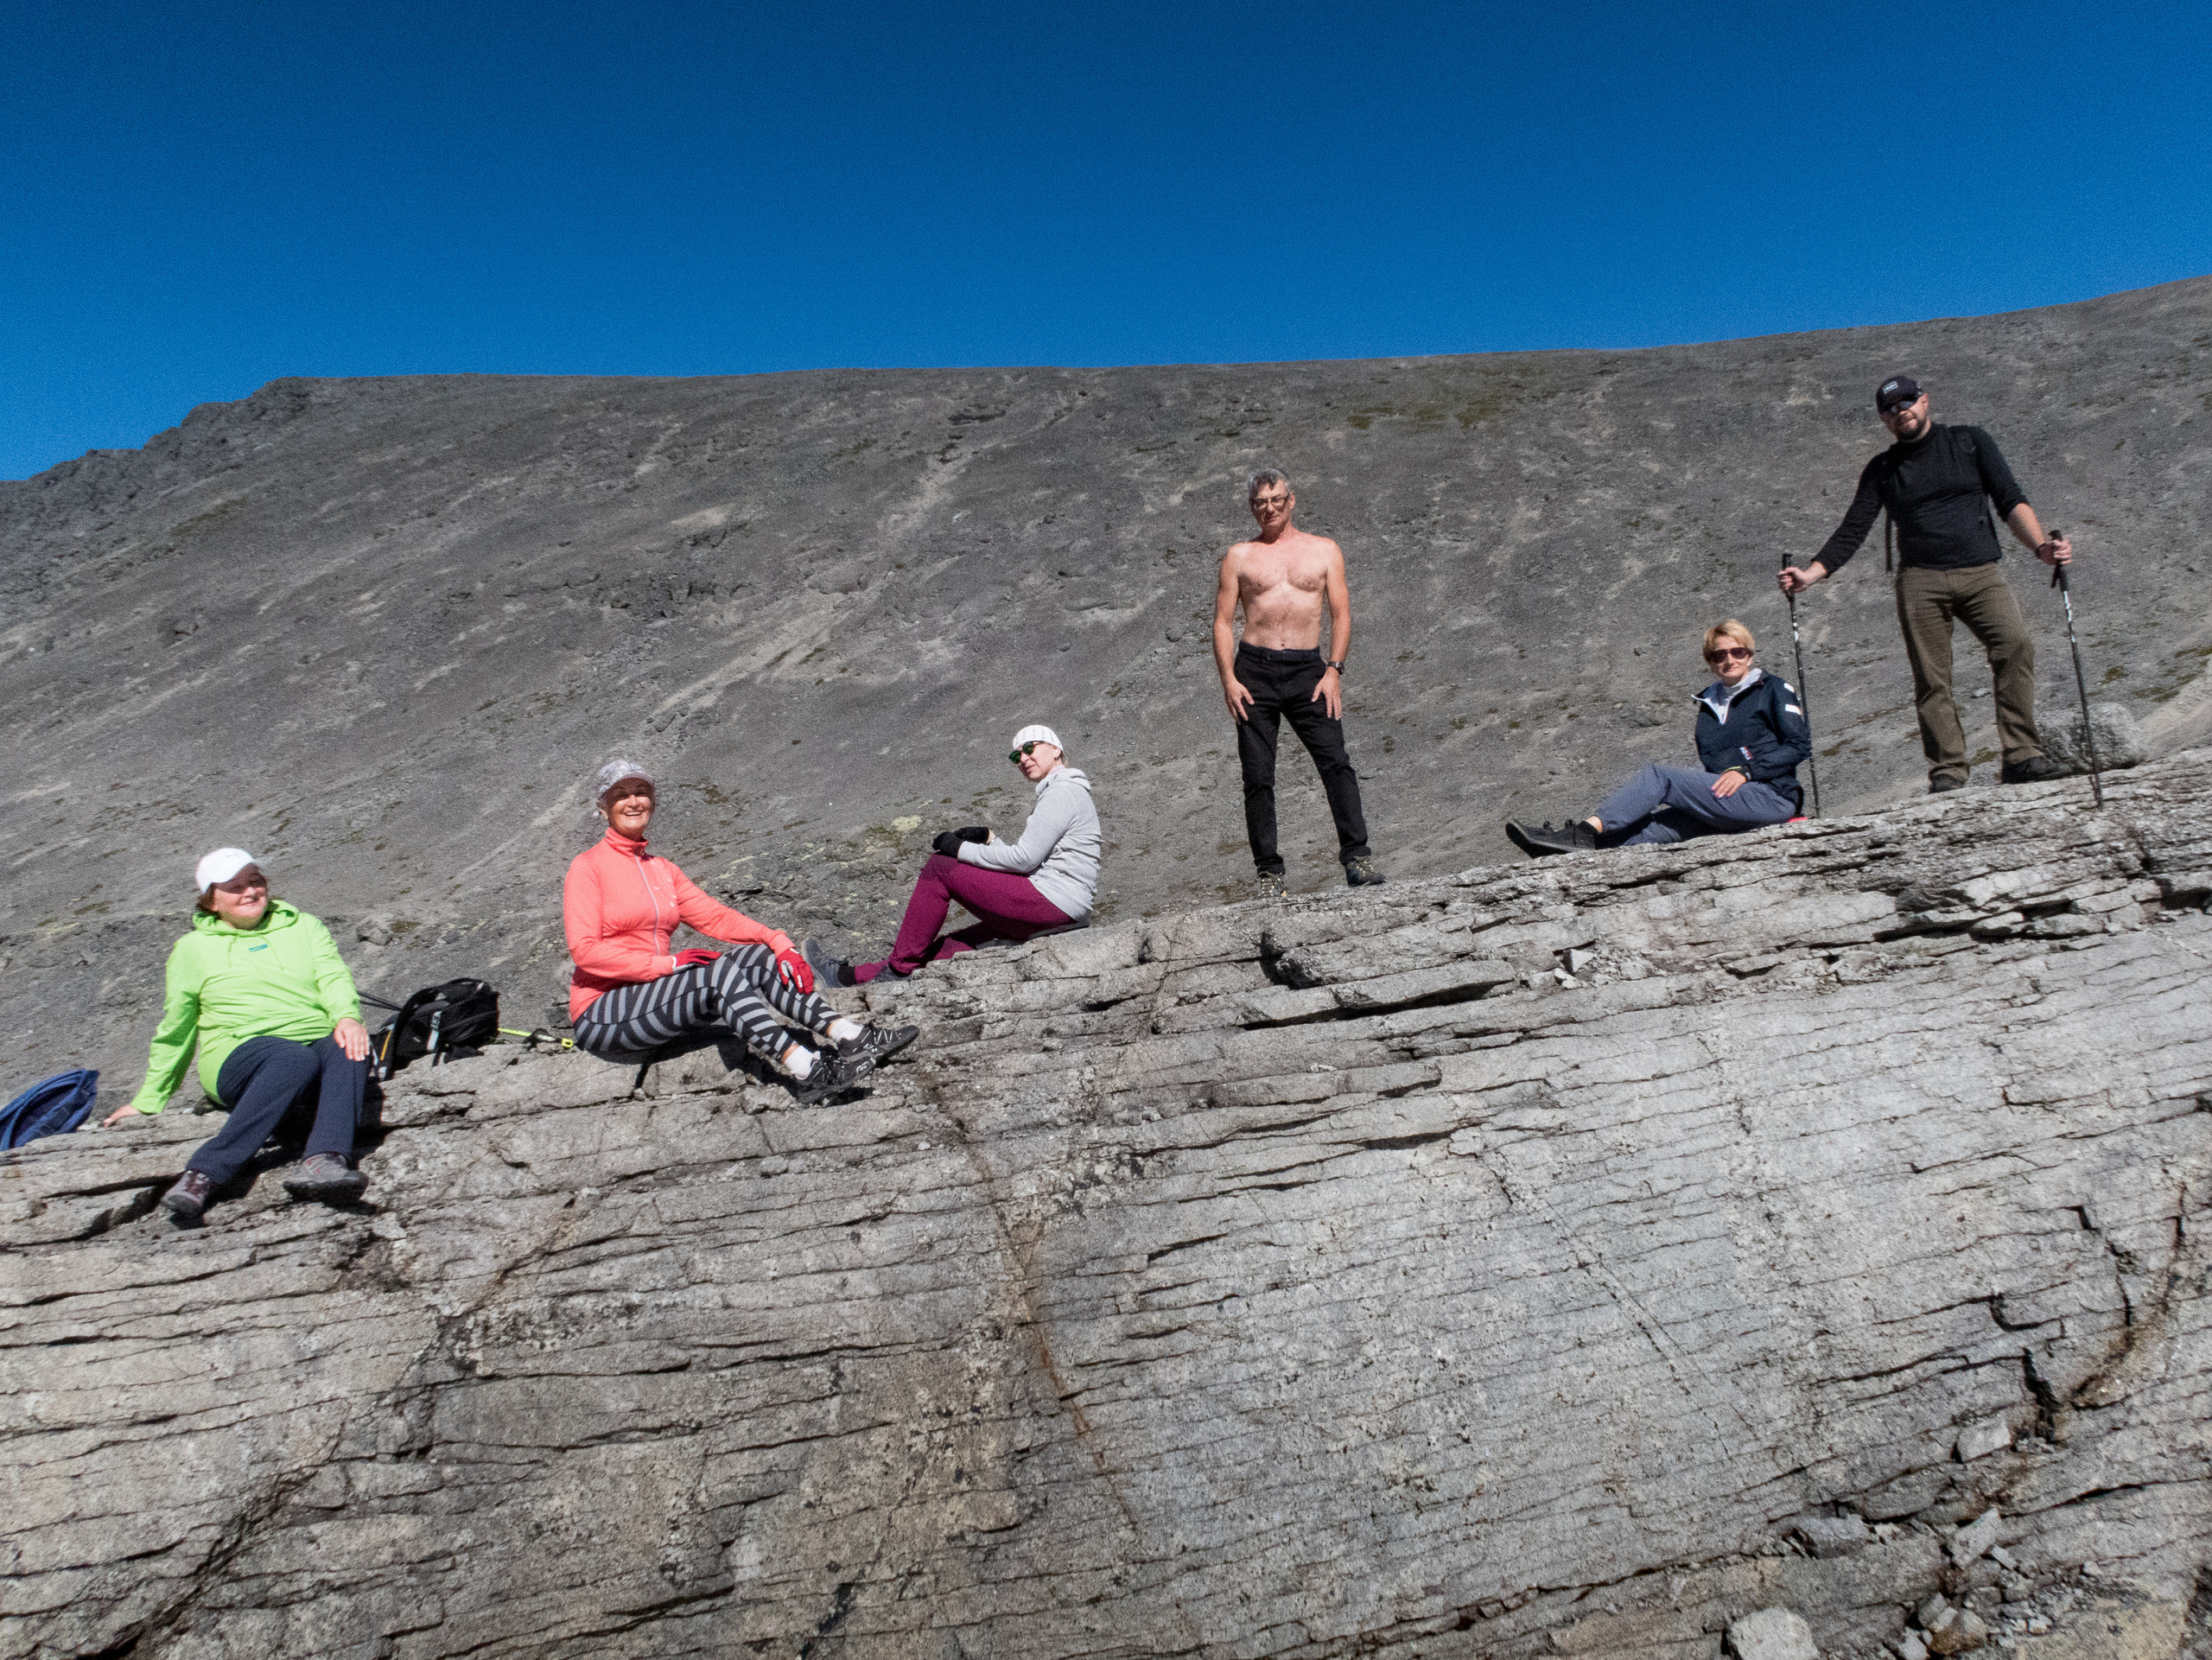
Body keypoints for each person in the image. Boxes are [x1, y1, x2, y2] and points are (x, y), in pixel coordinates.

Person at [1780, 374, 2075, 793]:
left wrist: (2042, 548)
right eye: (1891, 408)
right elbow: (1854, 528)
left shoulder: (1970, 442)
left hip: (1981, 572)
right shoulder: (1883, 469)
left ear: (1925, 402)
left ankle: (2022, 755)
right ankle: (1948, 770)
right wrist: (1811, 573)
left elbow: (2010, 499)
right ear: (1884, 419)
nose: (1902, 410)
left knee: (2015, 646)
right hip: (1920, 580)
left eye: (1908, 401)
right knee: (1931, 677)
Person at [563, 760, 912, 1101]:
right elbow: (584, 951)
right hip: (601, 1014)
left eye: (641, 792)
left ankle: (850, 1035)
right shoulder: (587, 867)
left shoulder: (662, 870)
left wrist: (777, 940)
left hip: (654, 998)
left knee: (759, 956)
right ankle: (809, 1070)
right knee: (714, 974)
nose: (634, 801)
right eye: (621, 795)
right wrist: (666, 967)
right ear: (603, 807)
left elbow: (714, 917)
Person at [101, 849, 374, 1221]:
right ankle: (204, 1174)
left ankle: (324, 1160)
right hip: (237, 1055)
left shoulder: (304, 926)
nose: (250, 892)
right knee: (291, 1057)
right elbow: (177, 1027)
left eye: (255, 881)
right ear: (211, 902)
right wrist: (149, 1100)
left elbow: (332, 977)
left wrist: (347, 1017)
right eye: (234, 886)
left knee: (350, 1049)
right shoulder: (192, 949)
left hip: (310, 1042)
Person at [805, 724, 1100, 986]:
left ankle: (897, 971)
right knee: (955, 945)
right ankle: (845, 977)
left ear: (1056, 749)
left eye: (1028, 748)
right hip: (1061, 910)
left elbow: (1024, 861)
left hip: (1052, 904)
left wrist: (957, 849)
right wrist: (989, 839)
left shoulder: (1063, 792)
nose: (1022, 759)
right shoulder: (1066, 792)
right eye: (1015, 756)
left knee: (939, 868)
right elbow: (1030, 866)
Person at [1214, 467, 1384, 898]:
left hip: (1310, 672)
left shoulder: (1325, 551)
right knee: (1258, 776)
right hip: (1254, 671)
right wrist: (1229, 680)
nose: (1267, 509)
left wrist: (1334, 670)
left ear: (1291, 500)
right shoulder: (1239, 556)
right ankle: (1269, 874)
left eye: (1275, 500)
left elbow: (1341, 614)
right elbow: (1221, 622)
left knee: (1336, 763)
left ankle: (1357, 858)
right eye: (1259, 503)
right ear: (1252, 508)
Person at [1505, 620, 1809, 855]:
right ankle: (1564, 852)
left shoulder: (1772, 689)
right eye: (1720, 654)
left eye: (1737, 651)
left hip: (1770, 798)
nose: (1729, 660)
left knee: (1661, 777)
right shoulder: (1708, 703)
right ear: (1710, 661)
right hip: (1731, 805)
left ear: (1749, 654)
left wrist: (1747, 772)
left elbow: (1799, 745)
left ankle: (1584, 831)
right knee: (1651, 828)